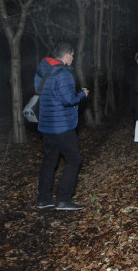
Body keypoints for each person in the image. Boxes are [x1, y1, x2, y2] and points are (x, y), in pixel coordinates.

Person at [34, 41, 89, 211]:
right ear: (66, 56)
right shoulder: (63, 74)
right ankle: (64, 199)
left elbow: (42, 93)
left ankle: (44, 199)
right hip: (62, 125)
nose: (73, 58)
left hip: (46, 125)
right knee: (74, 159)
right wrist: (83, 94)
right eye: (72, 55)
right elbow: (68, 100)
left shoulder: (43, 71)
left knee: (50, 161)